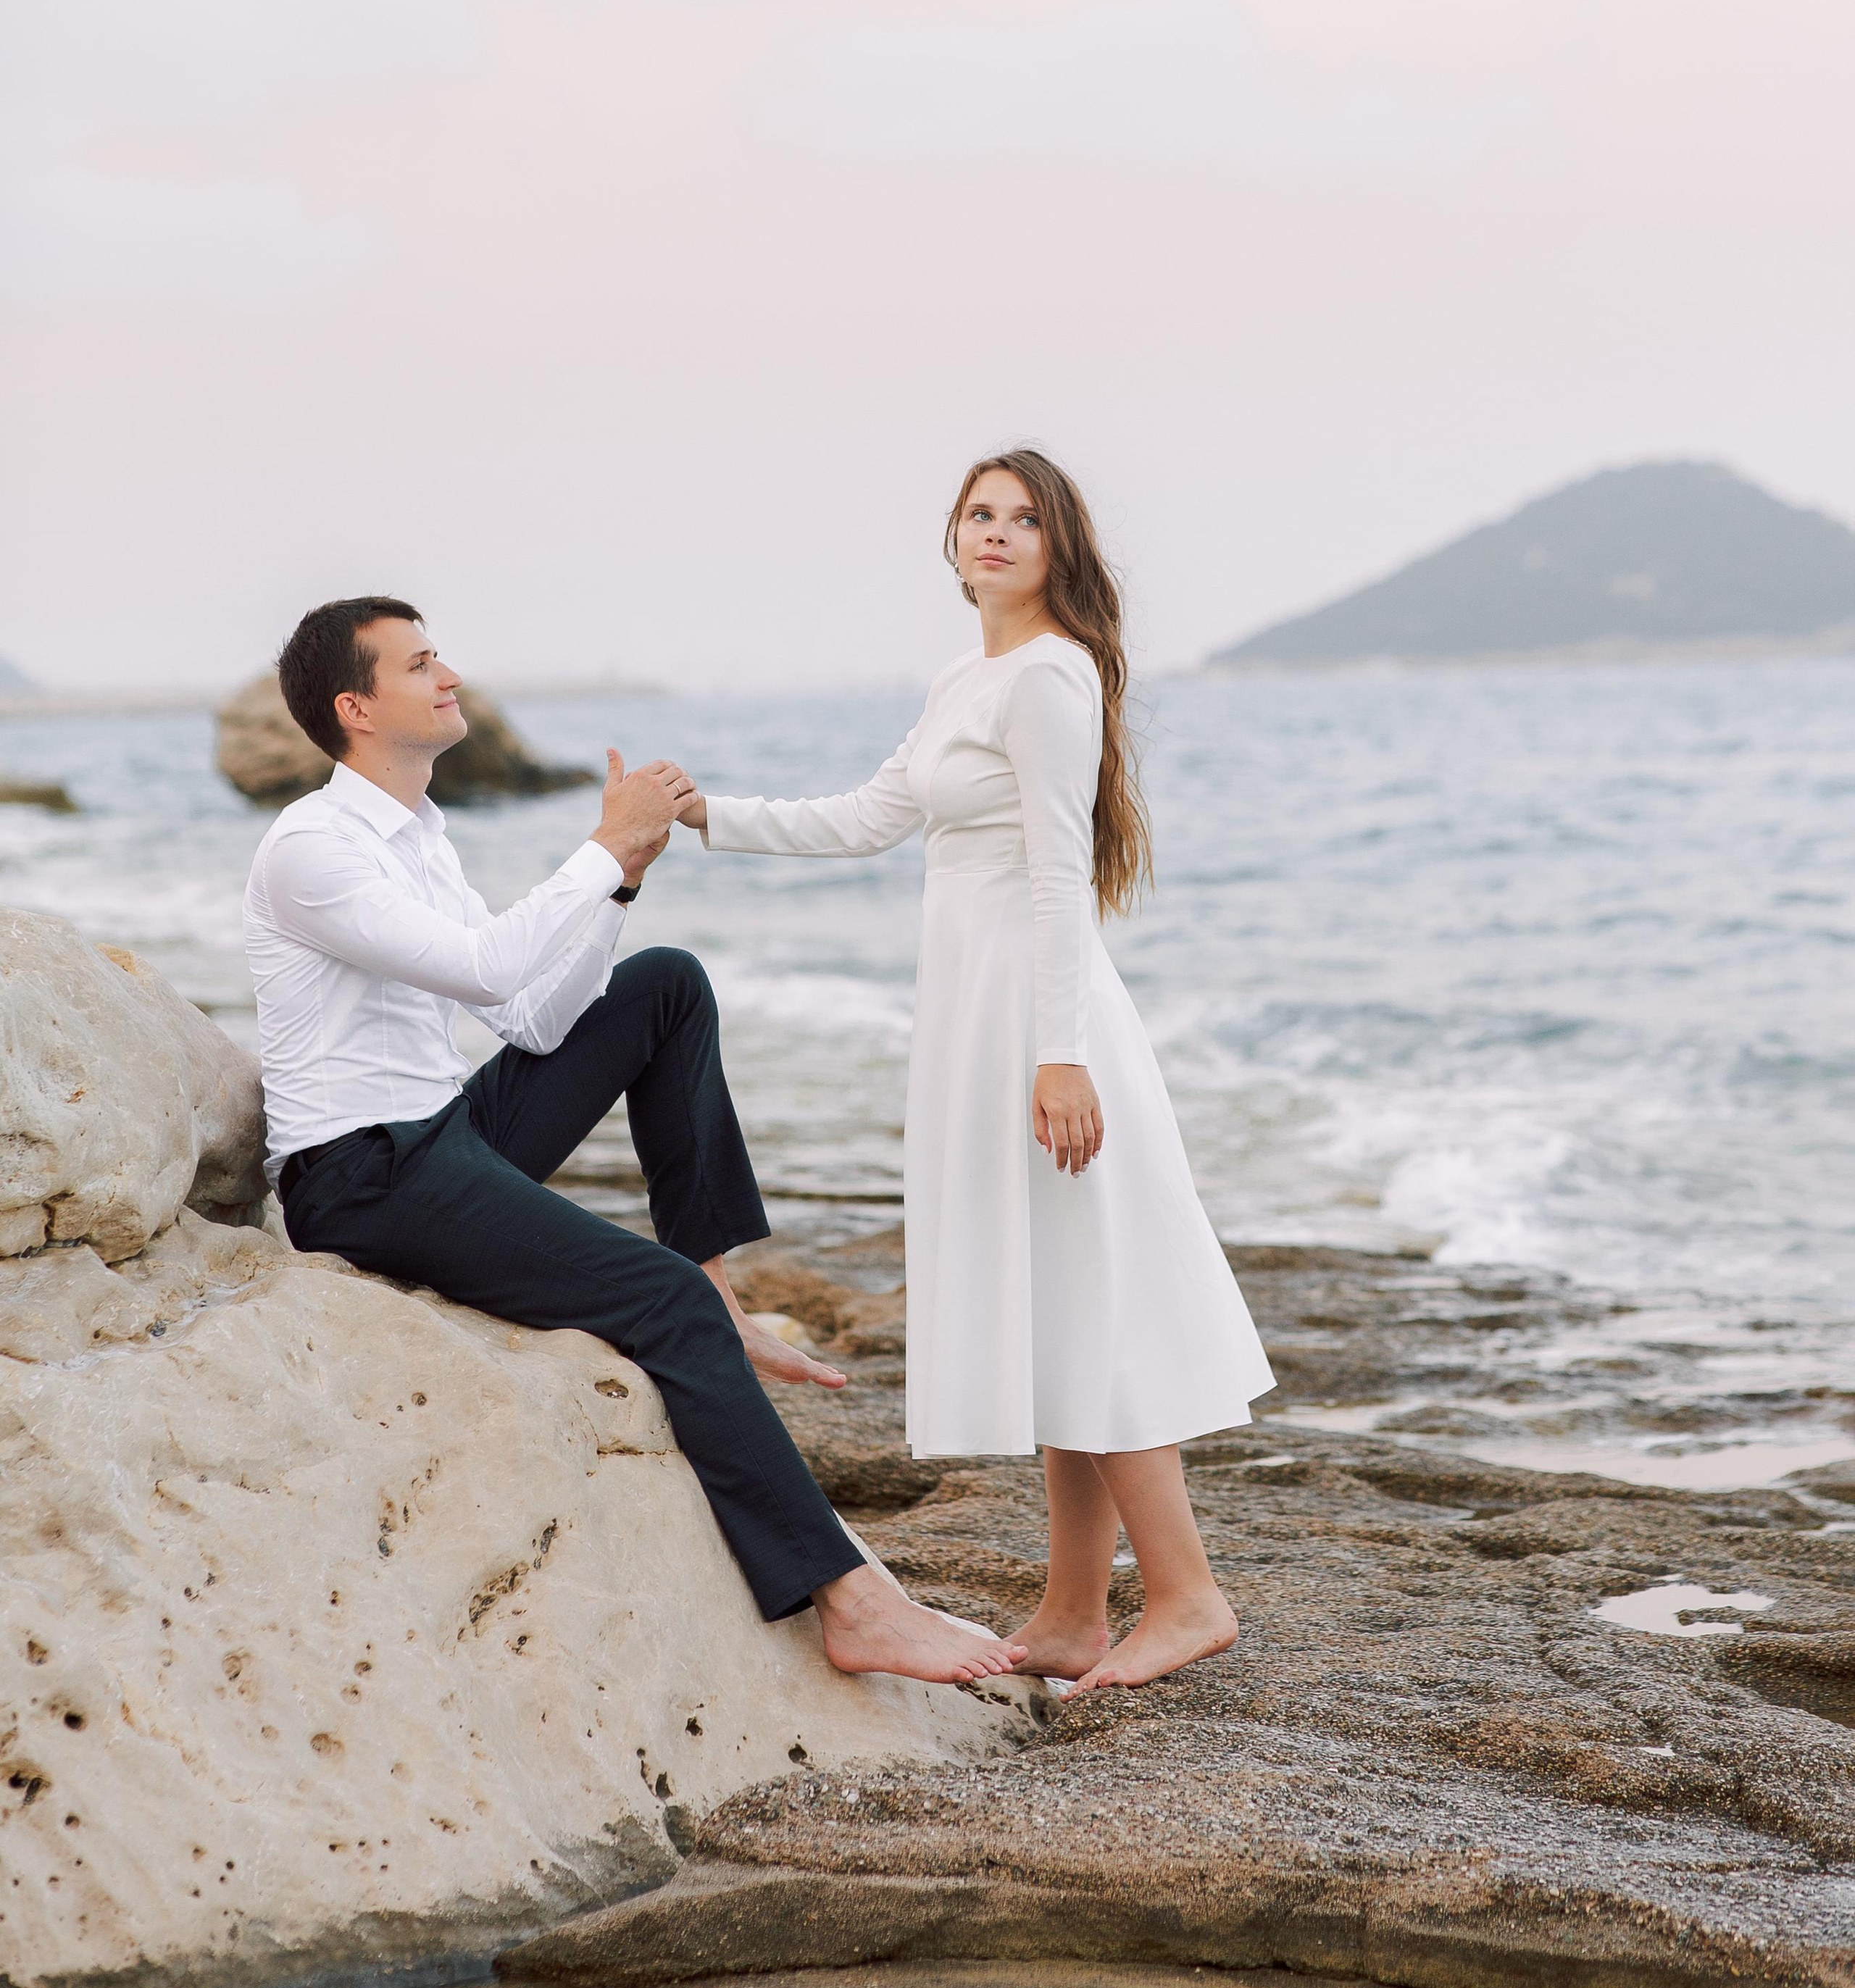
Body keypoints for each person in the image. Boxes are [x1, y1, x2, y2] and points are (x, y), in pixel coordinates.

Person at [243, 593, 1023, 1690]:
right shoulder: (312, 848)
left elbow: (534, 1022)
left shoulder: (422, 838)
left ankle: (720, 1292)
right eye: (419, 665)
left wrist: (624, 878)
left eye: (440, 655)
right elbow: (485, 970)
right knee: (661, 1303)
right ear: (355, 708)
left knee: (664, 986)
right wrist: (602, 845)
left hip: (442, 1133)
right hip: (362, 1174)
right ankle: (854, 1605)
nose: (450, 676)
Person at [675, 454, 1275, 1690]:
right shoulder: (968, 677)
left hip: (1041, 1028)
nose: (997, 533)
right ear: (952, 540)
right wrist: (701, 814)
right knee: (1058, 1305)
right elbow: (863, 817)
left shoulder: (1050, 676)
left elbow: (1061, 875)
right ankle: (1071, 1614)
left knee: (1090, 1305)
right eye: (980, 515)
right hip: (984, 1018)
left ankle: (1186, 1596)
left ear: (1060, 548)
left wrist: (1061, 1059)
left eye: (1025, 519)